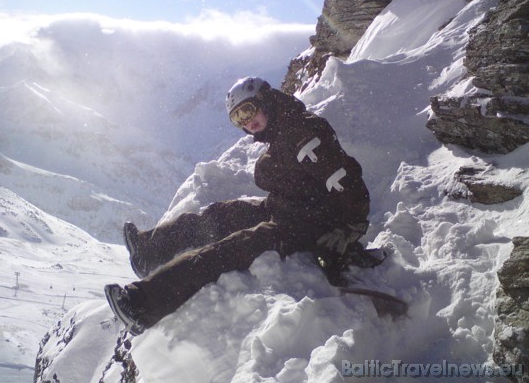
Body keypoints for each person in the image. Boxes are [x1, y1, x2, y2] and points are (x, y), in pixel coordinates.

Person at [105, 77, 372, 335]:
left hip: (306, 225)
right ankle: (149, 250)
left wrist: (350, 226)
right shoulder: (283, 129)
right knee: (222, 214)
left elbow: (345, 179)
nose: (247, 122)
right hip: (290, 209)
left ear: (265, 100)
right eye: (238, 119)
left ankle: (141, 306)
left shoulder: (303, 134)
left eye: (247, 110)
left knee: (225, 251)